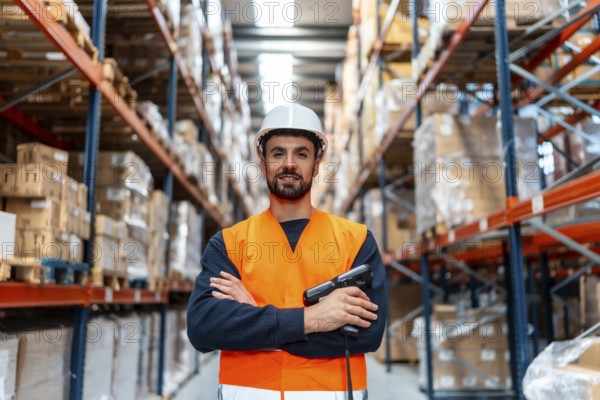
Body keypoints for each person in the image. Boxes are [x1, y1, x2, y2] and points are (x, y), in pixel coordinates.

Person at [187, 103, 388, 400]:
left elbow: (367, 335)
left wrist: (253, 320)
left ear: (317, 164)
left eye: (302, 154)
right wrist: (314, 319)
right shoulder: (230, 243)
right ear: (263, 161)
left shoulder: (355, 240)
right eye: (278, 153)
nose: (289, 164)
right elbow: (204, 329)